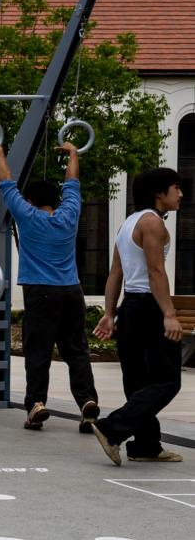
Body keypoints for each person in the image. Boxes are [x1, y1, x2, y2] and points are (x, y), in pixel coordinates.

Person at [0, 141, 99, 432]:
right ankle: (87, 403)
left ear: (32, 202)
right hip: (73, 292)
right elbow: (72, 183)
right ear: (56, 199)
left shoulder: (27, 216)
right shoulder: (69, 214)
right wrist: (74, 154)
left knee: (38, 352)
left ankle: (36, 404)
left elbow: (6, 184)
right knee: (77, 351)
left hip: (41, 292)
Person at [90, 168, 186, 464]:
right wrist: (169, 314)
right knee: (168, 380)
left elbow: (116, 272)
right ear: (159, 193)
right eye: (176, 187)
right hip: (149, 307)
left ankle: (146, 446)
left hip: (131, 307)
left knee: (139, 381)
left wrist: (109, 314)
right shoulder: (152, 223)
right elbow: (156, 271)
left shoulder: (128, 223)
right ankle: (111, 428)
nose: (181, 194)